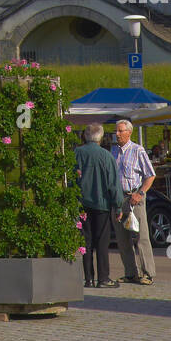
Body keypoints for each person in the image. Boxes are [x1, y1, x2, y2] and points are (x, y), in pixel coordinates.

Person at [74, 123, 124, 288]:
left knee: (86, 242)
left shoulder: (76, 153)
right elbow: (113, 184)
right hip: (101, 204)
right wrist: (118, 206)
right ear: (101, 137)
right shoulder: (106, 156)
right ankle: (103, 278)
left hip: (82, 204)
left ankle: (88, 278)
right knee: (102, 242)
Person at [112, 119, 157, 286]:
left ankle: (148, 273)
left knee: (141, 236)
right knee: (122, 238)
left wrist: (140, 193)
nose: (117, 134)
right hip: (119, 198)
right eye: (116, 131)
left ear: (129, 132)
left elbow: (150, 175)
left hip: (134, 197)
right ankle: (130, 272)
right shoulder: (113, 151)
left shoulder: (138, 150)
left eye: (120, 131)